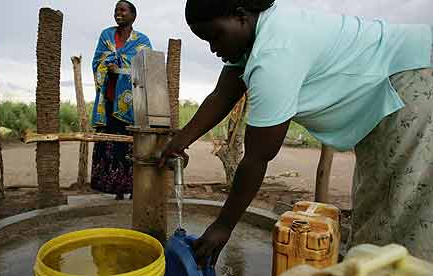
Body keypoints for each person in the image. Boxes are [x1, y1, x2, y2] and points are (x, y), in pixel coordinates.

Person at [159, 0, 433, 266]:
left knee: (405, 207)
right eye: (205, 40)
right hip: (394, 84)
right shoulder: (256, 34)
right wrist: (182, 140)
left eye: (216, 36)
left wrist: (223, 226)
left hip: (414, 79)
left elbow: (257, 157)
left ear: (241, 16)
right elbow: (222, 94)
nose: (213, 48)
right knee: (378, 200)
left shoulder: (274, 55)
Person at [91, 0, 152, 200]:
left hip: (132, 104)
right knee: (111, 145)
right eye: (116, 10)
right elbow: (97, 62)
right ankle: (116, 189)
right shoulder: (106, 36)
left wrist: (122, 64)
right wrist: (107, 64)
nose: (119, 13)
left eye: (123, 10)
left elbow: (147, 67)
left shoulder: (142, 41)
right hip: (108, 101)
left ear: (133, 15)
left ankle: (134, 187)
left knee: (130, 144)